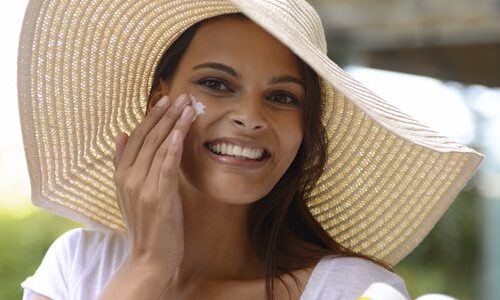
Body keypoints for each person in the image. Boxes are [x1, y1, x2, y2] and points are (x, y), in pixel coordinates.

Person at [16, 0, 483, 299]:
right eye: (216, 84)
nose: (251, 116)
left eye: (282, 97)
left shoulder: (346, 290)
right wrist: (147, 268)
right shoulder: (78, 264)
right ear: (160, 99)